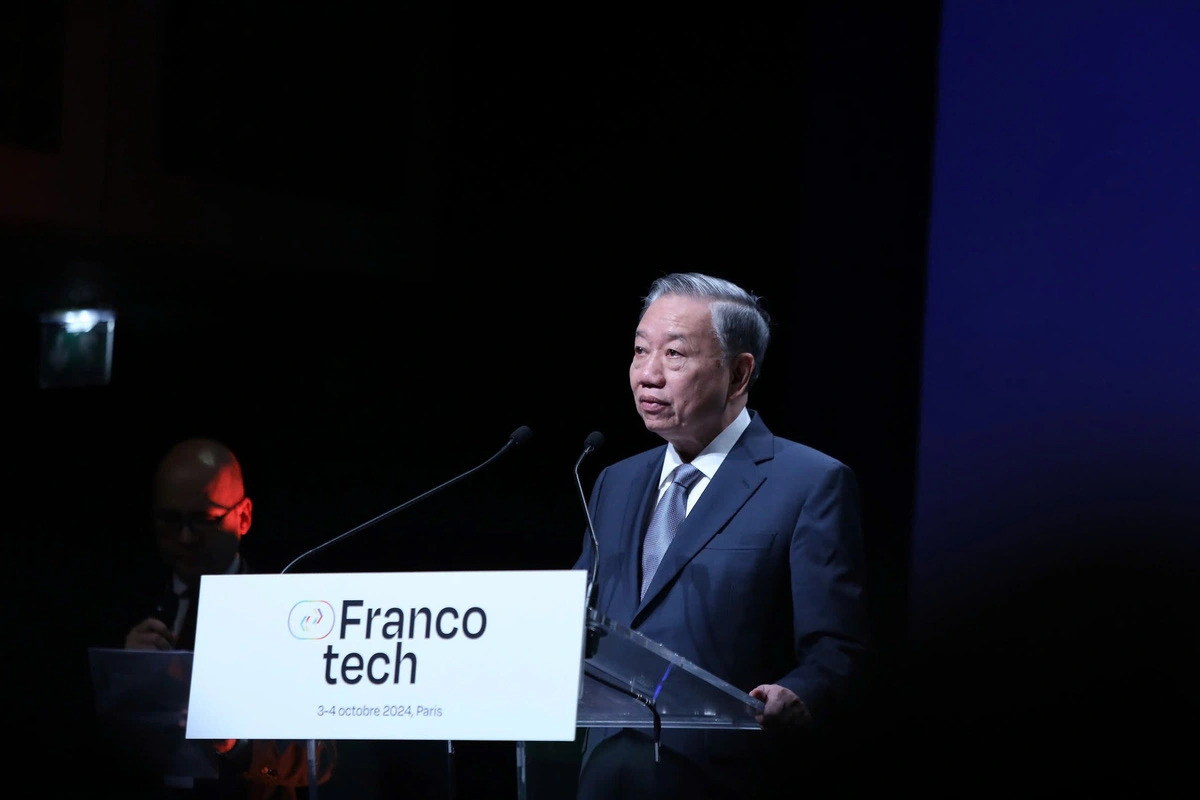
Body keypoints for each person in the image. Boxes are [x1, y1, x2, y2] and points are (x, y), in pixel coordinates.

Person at [572, 272, 871, 800]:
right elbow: (575, 622)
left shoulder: (808, 482)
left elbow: (837, 647)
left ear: (738, 373)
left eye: (675, 355)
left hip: (724, 775)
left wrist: (800, 694)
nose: (648, 375)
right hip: (607, 771)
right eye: (641, 351)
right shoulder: (614, 482)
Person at [115, 437, 338, 800]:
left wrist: (241, 747)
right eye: (170, 521)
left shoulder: (291, 618)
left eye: (203, 521)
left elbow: (323, 763)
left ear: (244, 517)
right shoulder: (124, 605)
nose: (184, 537)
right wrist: (128, 676)